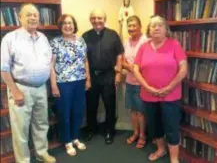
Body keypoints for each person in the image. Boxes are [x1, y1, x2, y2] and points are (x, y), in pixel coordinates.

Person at [0, 3, 56, 163]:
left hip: (40, 89)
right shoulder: (10, 39)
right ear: (20, 17)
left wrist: (50, 83)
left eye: (35, 15)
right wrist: (15, 91)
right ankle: (23, 160)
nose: (33, 17)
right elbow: (3, 69)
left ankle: (41, 153)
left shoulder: (43, 38)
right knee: (21, 129)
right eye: (28, 14)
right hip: (21, 89)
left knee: (41, 124)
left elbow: (49, 63)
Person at [134, 15, 187, 163]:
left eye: (160, 25)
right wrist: (147, 87)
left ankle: (174, 158)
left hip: (171, 95)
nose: (156, 28)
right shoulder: (144, 47)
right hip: (148, 95)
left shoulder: (174, 44)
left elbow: (183, 69)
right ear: (149, 29)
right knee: (155, 125)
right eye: (153, 25)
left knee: (171, 126)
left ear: (166, 29)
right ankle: (161, 149)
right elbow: (136, 69)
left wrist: (169, 87)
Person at [50, 14, 91, 156]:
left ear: (74, 25)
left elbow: (85, 61)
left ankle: (75, 137)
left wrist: (88, 78)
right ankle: (67, 141)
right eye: (65, 23)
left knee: (78, 112)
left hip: (80, 81)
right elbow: (51, 65)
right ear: (60, 26)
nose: (68, 25)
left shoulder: (81, 40)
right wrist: (54, 85)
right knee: (64, 113)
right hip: (63, 83)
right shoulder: (55, 42)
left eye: (71, 23)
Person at [82, 9, 124, 144]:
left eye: (99, 18)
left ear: (104, 19)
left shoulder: (113, 35)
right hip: (92, 76)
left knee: (110, 105)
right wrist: (87, 78)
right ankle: (91, 129)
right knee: (91, 105)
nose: (96, 21)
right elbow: (83, 58)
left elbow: (119, 54)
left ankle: (109, 131)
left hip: (108, 76)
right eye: (93, 18)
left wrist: (118, 74)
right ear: (90, 20)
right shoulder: (85, 36)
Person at [122, 15, 147, 149]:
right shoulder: (126, 41)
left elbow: (148, 62)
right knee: (132, 110)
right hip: (129, 81)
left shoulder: (146, 41)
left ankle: (143, 135)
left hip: (141, 83)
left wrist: (134, 69)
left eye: (134, 25)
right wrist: (130, 68)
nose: (131, 28)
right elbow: (123, 61)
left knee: (141, 111)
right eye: (129, 26)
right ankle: (136, 133)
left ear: (140, 26)